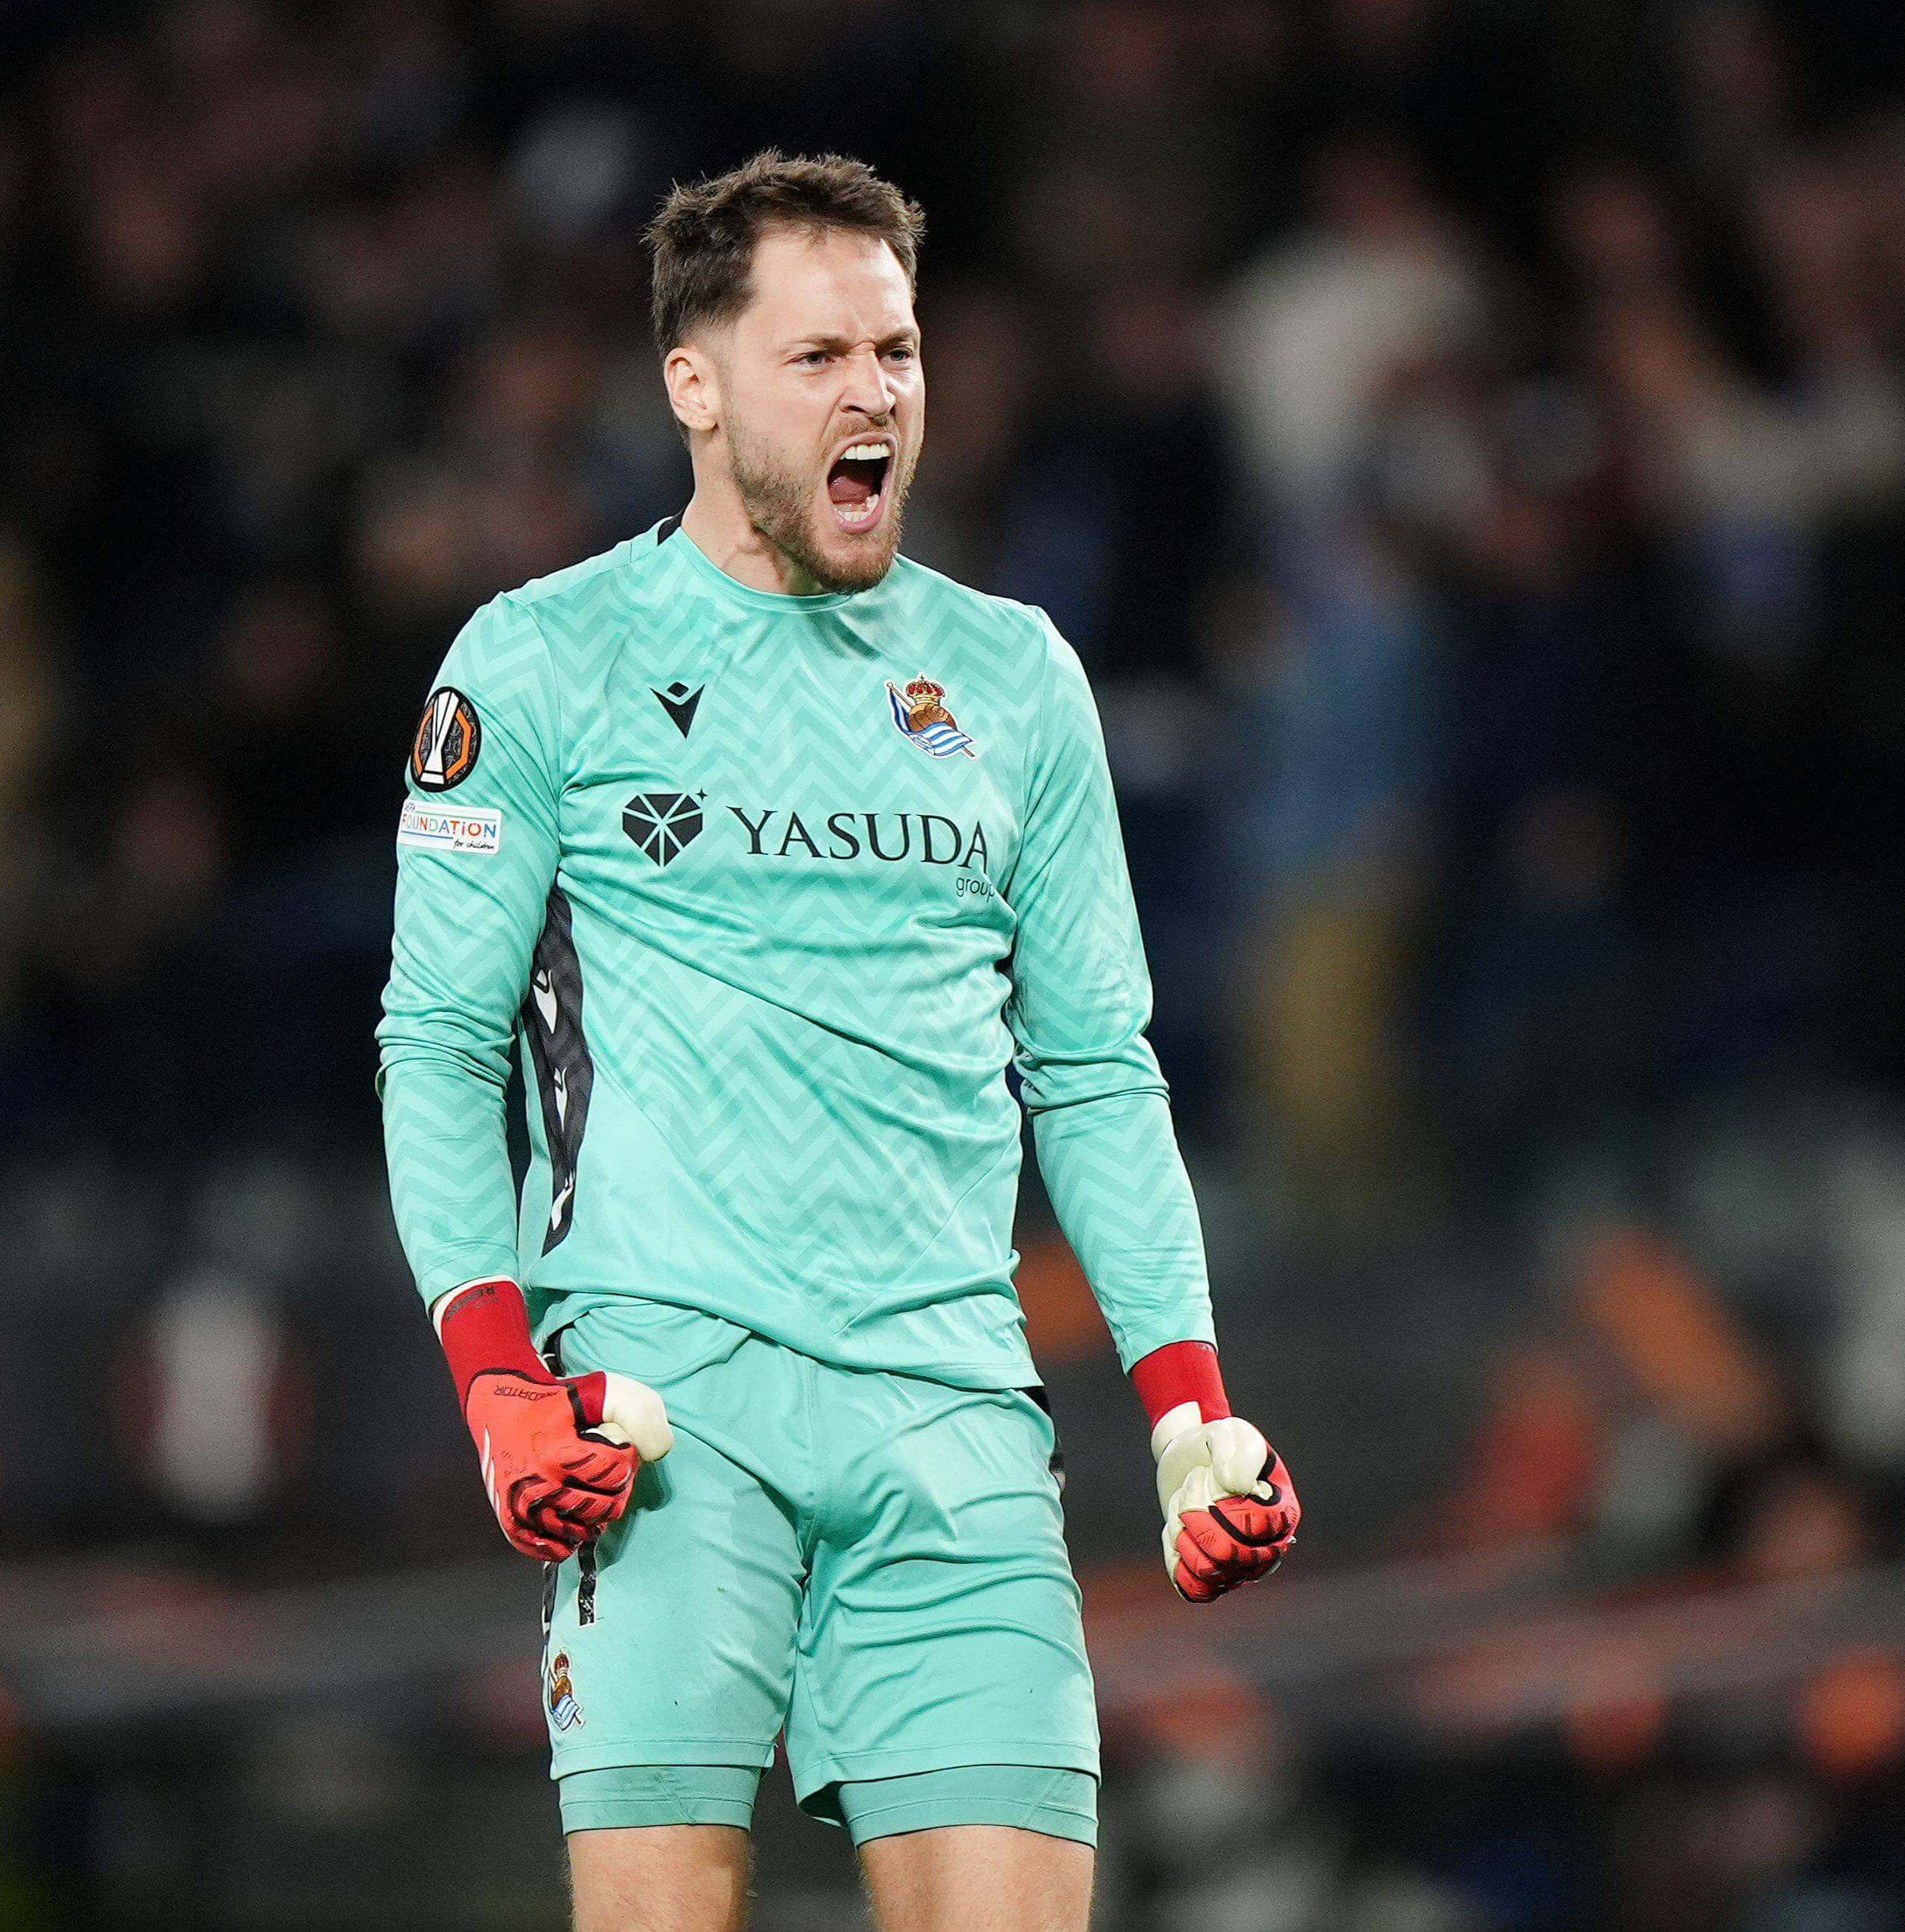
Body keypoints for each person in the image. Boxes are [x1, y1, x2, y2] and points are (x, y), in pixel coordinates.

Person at [376, 152, 1300, 1932]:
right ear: (695, 386)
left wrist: (1190, 1409)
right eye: (817, 357)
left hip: (953, 1417)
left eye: (897, 349)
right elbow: (437, 1042)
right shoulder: (542, 660)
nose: (874, 393)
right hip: (661, 1416)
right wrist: (497, 1383)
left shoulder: (1016, 679)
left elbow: (1097, 1071)